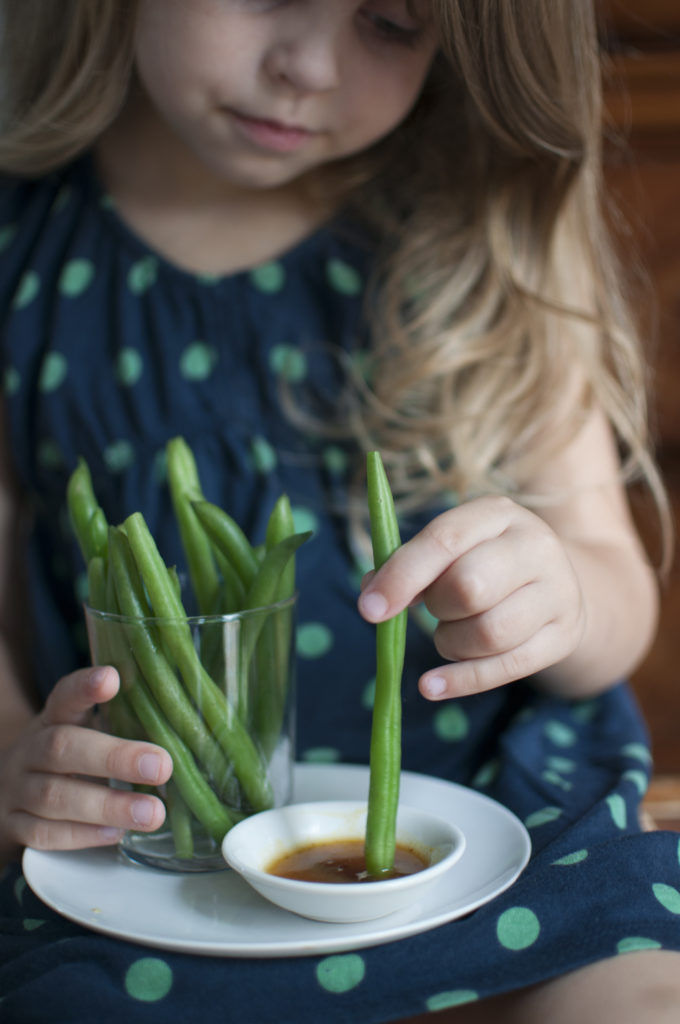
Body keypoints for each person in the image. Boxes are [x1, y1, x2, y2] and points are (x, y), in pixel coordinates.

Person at [0, 1, 678, 1021]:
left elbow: (613, 595)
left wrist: (563, 600)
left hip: (498, 818)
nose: (305, 66)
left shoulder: (475, 226)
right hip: (147, 855)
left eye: (393, 22)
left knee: (642, 992)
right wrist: (14, 758)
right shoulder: (25, 242)